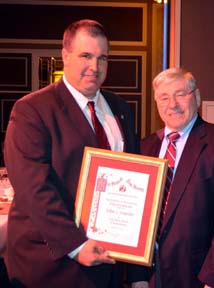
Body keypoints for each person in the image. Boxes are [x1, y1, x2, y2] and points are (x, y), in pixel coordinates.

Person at [3, 19, 138, 287]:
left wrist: (136, 269)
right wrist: (76, 245)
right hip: (51, 265)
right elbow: (34, 189)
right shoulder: (32, 109)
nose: (95, 67)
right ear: (65, 56)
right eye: (86, 56)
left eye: (102, 58)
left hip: (107, 261)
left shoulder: (120, 108)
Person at [127, 68, 214, 288]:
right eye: (164, 97)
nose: (173, 104)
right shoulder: (144, 148)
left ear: (196, 98)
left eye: (180, 94)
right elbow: (135, 218)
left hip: (198, 276)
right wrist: (137, 275)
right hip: (150, 275)